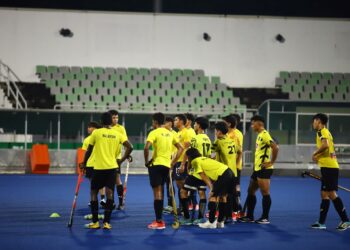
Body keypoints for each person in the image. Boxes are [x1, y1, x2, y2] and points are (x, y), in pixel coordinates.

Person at [82, 112, 133, 230]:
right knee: (110, 194)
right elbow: (130, 147)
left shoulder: (96, 133)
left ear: (101, 121)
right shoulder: (117, 133)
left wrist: (84, 164)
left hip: (98, 168)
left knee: (94, 193)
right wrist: (121, 160)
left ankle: (95, 222)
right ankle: (106, 222)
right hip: (112, 168)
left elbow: (89, 150)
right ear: (111, 121)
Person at [310, 113, 350, 231]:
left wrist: (315, 153)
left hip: (330, 168)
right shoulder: (324, 132)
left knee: (331, 194)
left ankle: (346, 220)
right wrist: (319, 156)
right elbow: (327, 148)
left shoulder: (322, 131)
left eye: (314, 121)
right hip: (328, 167)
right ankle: (322, 222)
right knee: (324, 194)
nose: (313, 123)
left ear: (319, 121)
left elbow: (325, 145)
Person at [144, 112, 183, 229]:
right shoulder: (170, 133)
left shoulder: (154, 132)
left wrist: (146, 161)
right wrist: (173, 162)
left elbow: (146, 148)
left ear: (155, 122)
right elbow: (181, 148)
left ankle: (159, 221)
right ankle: (160, 220)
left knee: (157, 193)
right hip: (166, 166)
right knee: (161, 191)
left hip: (156, 165)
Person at [239, 115, 279, 224]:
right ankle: (250, 216)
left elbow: (275, 147)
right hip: (257, 169)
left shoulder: (265, 135)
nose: (252, 126)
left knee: (265, 193)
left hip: (264, 169)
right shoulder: (259, 135)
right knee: (250, 191)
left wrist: (271, 162)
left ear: (259, 123)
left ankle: (265, 217)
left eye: (253, 123)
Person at [186, 148, 235, 229]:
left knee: (212, 197)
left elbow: (203, 176)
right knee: (223, 197)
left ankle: (211, 222)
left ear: (189, 157)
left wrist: (211, 188)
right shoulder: (204, 158)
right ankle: (220, 222)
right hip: (230, 172)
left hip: (223, 175)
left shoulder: (195, 161)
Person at [179, 117, 212, 225]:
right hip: (205, 169)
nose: (194, 125)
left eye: (195, 124)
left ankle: (187, 217)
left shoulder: (195, 138)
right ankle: (200, 218)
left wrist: (184, 165)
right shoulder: (208, 139)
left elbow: (188, 153)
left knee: (183, 192)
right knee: (202, 193)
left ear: (199, 125)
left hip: (196, 169)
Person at [212, 121, 241, 223]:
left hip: (224, 172)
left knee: (221, 195)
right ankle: (230, 215)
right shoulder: (232, 141)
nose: (215, 133)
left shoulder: (218, 142)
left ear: (219, 131)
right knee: (230, 195)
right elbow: (240, 151)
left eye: (216, 131)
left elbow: (209, 153)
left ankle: (222, 217)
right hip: (234, 171)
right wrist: (236, 163)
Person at [223, 114, 244, 218]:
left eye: (224, 122)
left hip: (233, 166)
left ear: (229, 123)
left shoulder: (235, 134)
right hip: (229, 165)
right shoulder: (230, 133)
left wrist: (235, 165)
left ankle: (236, 210)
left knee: (233, 188)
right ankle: (235, 210)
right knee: (233, 188)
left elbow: (239, 151)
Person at [173, 114, 195, 211]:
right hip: (177, 161)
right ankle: (183, 207)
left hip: (183, 162)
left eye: (176, 120)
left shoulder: (187, 132)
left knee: (183, 186)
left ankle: (186, 207)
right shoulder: (178, 133)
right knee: (179, 186)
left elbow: (187, 149)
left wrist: (183, 163)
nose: (174, 122)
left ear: (181, 121)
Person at [109, 110, 128, 210]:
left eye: (117, 117)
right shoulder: (105, 128)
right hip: (105, 158)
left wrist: (127, 154)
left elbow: (126, 143)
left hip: (116, 158)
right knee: (107, 181)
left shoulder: (121, 128)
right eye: (113, 118)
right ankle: (110, 201)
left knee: (117, 179)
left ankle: (120, 203)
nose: (115, 119)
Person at [163, 116, 177, 214]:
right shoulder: (163, 133)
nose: (164, 125)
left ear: (170, 124)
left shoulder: (174, 134)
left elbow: (177, 149)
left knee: (170, 184)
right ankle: (169, 204)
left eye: (166, 123)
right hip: (163, 162)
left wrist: (172, 161)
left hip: (171, 162)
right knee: (167, 183)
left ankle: (171, 205)